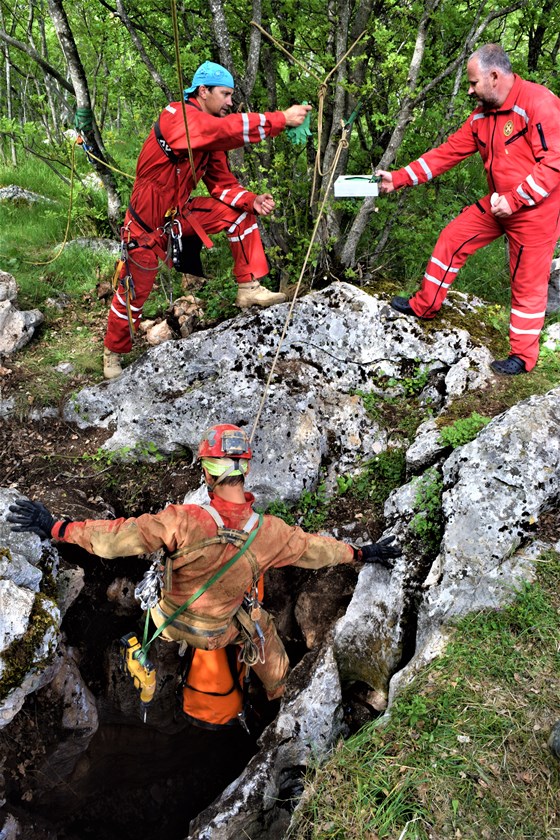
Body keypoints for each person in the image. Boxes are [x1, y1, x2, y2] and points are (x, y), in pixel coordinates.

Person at [7, 423, 401, 704]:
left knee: (156, 606)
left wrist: (56, 525)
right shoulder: (271, 534)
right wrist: (362, 553)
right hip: (218, 633)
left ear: (206, 473)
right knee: (260, 626)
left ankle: (145, 654)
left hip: (168, 622)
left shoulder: (182, 520)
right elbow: (317, 551)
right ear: (245, 471)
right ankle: (279, 694)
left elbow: (113, 540)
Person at [103, 61, 312, 379]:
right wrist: (279, 120)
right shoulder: (177, 117)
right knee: (132, 297)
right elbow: (222, 132)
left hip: (177, 218)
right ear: (203, 91)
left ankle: (248, 286)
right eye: (225, 94)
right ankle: (113, 353)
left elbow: (222, 185)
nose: (230, 101)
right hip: (144, 230)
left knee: (241, 215)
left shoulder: (207, 135)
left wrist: (250, 200)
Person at [376, 44, 560, 376]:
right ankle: (425, 305)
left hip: (535, 212)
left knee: (527, 283)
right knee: (452, 237)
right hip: (496, 204)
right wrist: (399, 178)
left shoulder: (539, 103)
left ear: (494, 76)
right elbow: (446, 154)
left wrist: (516, 199)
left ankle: (522, 357)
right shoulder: (481, 116)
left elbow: (554, 163)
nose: (471, 90)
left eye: (474, 83)